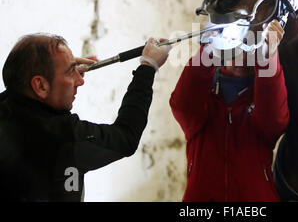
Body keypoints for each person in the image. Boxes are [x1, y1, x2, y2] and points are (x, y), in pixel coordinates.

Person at [0, 34, 171, 201]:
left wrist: (64, 72)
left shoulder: (7, 108)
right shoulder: (63, 135)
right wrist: (148, 68)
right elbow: (125, 138)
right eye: (70, 72)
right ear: (40, 85)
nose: (80, 81)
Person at [169, 20, 289, 201]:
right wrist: (208, 49)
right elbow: (182, 106)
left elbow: (274, 122)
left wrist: (267, 56)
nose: (243, 52)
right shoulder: (206, 95)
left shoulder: (261, 96)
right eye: (237, 43)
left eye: (250, 45)